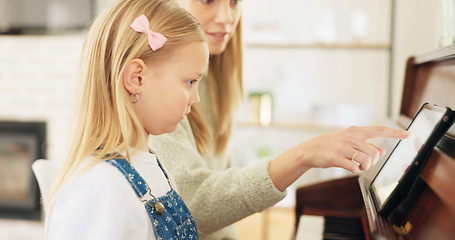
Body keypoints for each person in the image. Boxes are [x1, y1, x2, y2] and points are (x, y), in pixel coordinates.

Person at [147, 1, 410, 240]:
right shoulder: (160, 88)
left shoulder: (216, 76)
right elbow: (195, 204)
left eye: (235, 2)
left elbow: (221, 199)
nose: (227, 17)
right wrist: (304, 155)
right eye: (208, 0)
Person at [44, 0, 209, 239]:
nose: (196, 98)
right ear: (136, 78)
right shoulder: (98, 188)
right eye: (189, 82)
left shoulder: (156, 171)